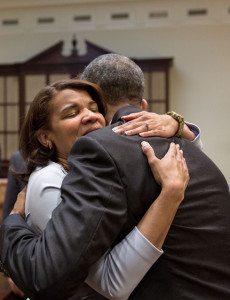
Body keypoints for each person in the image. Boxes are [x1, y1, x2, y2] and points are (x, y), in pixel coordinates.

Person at [2, 54, 229, 299]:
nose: (90, 116)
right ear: (45, 136)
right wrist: (169, 195)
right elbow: (60, 275)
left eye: (93, 107)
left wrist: (179, 125)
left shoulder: (121, 155)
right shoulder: (50, 178)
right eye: (71, 112)